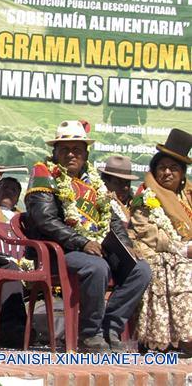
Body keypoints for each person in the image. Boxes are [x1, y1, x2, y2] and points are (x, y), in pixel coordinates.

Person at [23, 120, 151, 352]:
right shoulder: (44, 174)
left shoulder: (93, 182)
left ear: (85, 154)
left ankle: (109, 327)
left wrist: (128, 245)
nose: (71, 154)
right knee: (97, 267)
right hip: (57, 251)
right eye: (65, 149)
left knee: (140, 270)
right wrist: (82, 242)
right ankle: (89, 334)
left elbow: (112, 220)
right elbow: (45, 220)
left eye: (77, 150)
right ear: (55, 152)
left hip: (94, 248)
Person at [127, 129, 192, 353]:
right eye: (161, 167)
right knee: (181, 268)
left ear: (182, 174)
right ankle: (178, 339)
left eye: (173, 168)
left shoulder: (188, 194)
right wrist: (181, 248)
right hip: (155, 251)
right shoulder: (146, 194)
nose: (166, 173)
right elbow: (145, 230)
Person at [99, 154, 138, 225]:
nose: (125, 188)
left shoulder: (136, 204)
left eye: (127, 183)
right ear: (105, 182)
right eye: (118, 183)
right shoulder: (98, 203)